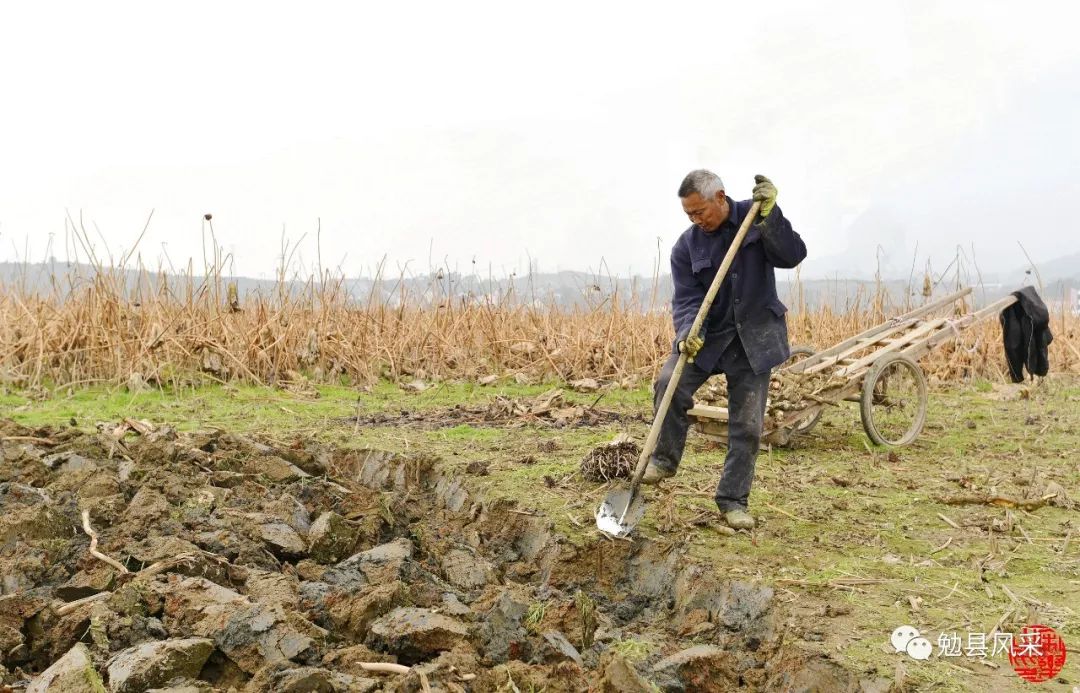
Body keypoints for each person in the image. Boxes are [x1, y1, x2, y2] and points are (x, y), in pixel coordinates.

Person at [641, 170, 807, 529]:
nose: (696, 220)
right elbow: (685, 299)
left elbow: (792, 255)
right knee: (670, 382)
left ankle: (733, 501)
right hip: (709, 337)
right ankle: (664, 460)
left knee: (747, 424)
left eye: (700, 212)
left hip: (755, 338)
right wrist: (688, 330)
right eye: (689, 215)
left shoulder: (755, 217)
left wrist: (772, 217)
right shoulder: (686, 247)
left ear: (720, 197)